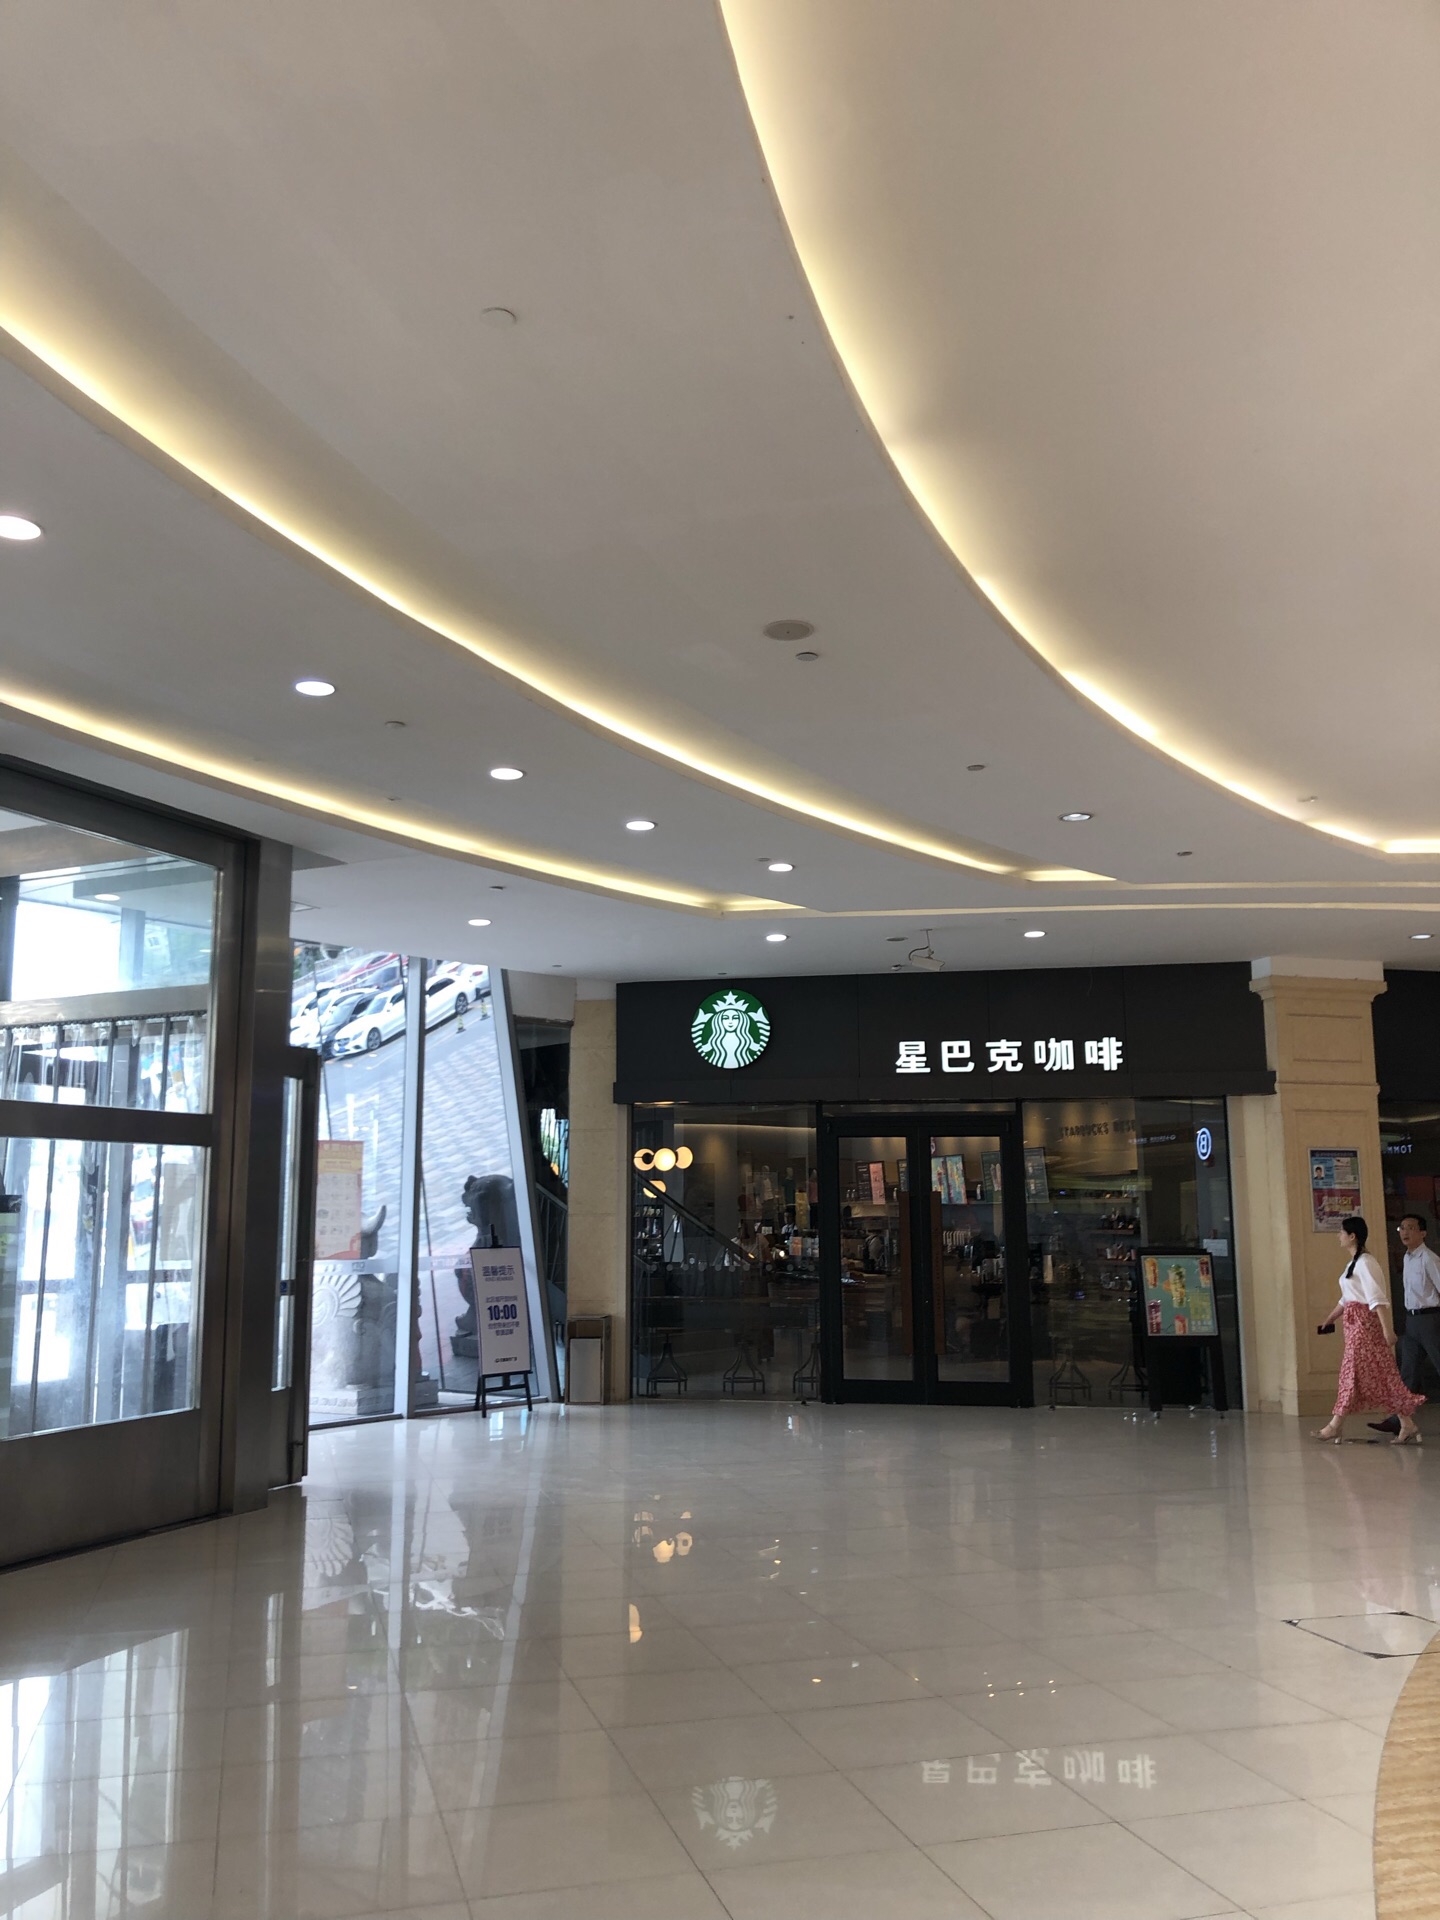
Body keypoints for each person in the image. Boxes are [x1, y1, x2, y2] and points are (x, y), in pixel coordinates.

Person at [1315, 1215, 1423, 1443]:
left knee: (1353, 1371)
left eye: (1341, 1233)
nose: (1338, 1237)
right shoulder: (1353, 1264)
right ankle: (1407, 1424)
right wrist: (1331, 1318)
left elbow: (1376, 1299)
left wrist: (1387, 1330)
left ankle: (1335, 1425)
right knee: (1379, 1373)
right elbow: (1347, 1298)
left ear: (1352, 1236)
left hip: (1364, 1326)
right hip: (1354, 1325)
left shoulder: (1366, 1263)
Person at [1369, 1212, 1440, 1436]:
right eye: (1401, 1228)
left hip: (1430, 1319)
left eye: (1410, 1227)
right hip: (1412, 1321)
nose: (1404, 1232)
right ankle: (1399, 1421)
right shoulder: (1407, 1258)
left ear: (1423, 1233)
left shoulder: (1428, 1258)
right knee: (1407, 1371)